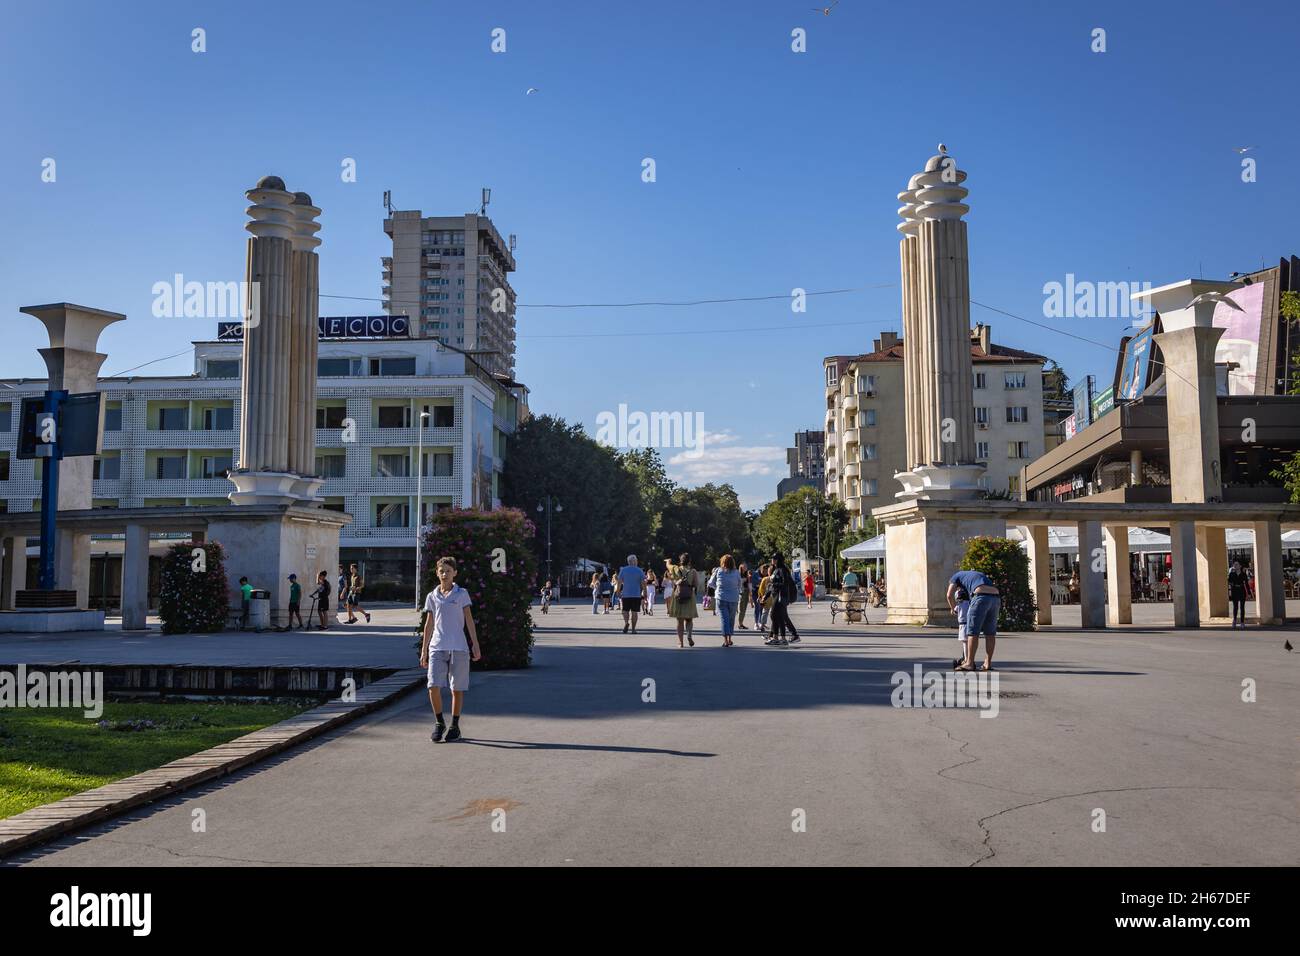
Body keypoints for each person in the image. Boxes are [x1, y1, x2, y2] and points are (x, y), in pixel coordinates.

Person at [418, 556, 481, 743]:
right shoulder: (432, 596)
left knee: (456, 688)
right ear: (437, 573)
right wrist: (424, 649)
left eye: (448, 571)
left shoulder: (461, 594)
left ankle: (454, 725)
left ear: (455, 573)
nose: (444, 574)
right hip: (437, 647)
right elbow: (429, 624)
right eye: (441, 571)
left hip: (459, 648)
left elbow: (469, 620)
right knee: (433, 686)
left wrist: (475, 644)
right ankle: (439, 722)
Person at [948, 568, 1000, 671]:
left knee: (972, 632)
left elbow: (949, 595)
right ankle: (987, 663)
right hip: (995, 597)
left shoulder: (955, 577)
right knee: (990, 633)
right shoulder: (977, 574)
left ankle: (969, 663)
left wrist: (953, 608)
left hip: (980, 597)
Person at [767, 555, 801, 645]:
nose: (772, 560)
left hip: (780, 596)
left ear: (777, 560)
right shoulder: (776, 569)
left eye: (773, 558)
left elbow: (784, 583)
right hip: (776, 595)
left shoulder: (782, 570)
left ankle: (777, 637)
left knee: (774, 615)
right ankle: (779, 637)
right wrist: (766, 595)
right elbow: (772, 585)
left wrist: (774, 584)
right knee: (780, 616)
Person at [669, 552, 700, 648]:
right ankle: (689, 636)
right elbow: (696, 584)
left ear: (680, 561)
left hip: (678, 596)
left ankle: (680, 642)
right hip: (689, 596)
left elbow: (671, 577)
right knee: (689, 619)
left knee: (679, 620)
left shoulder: (675, 569)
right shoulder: (693, 571)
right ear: (689, 561)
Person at [715, 554, 742, 647]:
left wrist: (718, 587)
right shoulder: (736, 572)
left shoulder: (718, 571)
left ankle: (726, 640)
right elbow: (739, 584)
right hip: (734, 598)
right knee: (731, 619)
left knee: (724, 619)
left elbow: (710, 583)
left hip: (721, 597)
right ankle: (730, 639)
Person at [617, 554, 646, 634]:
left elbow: (619, 582)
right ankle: (633, 629)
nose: (637, 562)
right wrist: (645, 593)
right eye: (636, 560)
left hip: (626, 594)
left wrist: (618, 591)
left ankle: (626, 623)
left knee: (625, 610)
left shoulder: (623, 570)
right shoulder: (639, 570)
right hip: (636, 594)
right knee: (634, 612)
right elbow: (643, 583)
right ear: (634, 561)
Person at [950, 586, 971, 669]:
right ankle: (968, 658)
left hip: (962, 625)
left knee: (964, 643)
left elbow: (954, 612)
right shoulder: (969, 603)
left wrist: (952, 610)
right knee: (969, 642)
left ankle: (966, 659)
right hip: (969, 624)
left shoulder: (959, 605)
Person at [1228, 560, 1248, 628]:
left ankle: (1242, 622)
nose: (1235, 566)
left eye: (1237, 564)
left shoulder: (1243, 574)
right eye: (1234, 564)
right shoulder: (1231, 574)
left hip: (1242, 590)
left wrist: (1248, 593)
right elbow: (1229, 582)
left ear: (1240, 566)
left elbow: (1246, 583)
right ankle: (1234, 621)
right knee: (1235, 607)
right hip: (1235, 590)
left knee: (1242, 607)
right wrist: (1230, 590)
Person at [737, 563, 750, 630]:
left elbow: (749, 583)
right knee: (741, 609)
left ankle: (741, 623)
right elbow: (737, 583)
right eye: (744, 567)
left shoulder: (747, 574)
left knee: (744, 609)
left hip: (746, 591)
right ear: (741, 568)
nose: (746, 567)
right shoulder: (738, 574)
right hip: (741, 592)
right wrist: (743, 580)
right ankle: (740, 624)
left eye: (746, 566)